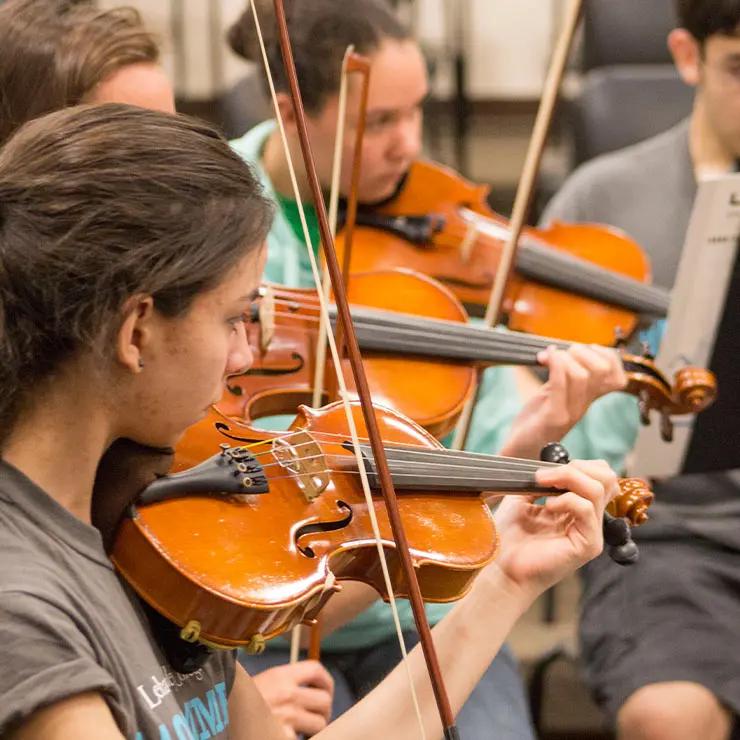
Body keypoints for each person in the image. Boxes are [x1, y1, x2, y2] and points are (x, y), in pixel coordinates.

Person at [0, 2, 636, 738]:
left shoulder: (138, 523)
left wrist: (507, 580)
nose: (250, 354)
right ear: (137, 330)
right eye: (237, 317)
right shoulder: (27, 608)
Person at [226, 2, 645, 737]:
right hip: (266, 614)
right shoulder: (216, 212)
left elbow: (476, 444)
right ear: (294, 115)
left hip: (424, 607)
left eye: (415, 112)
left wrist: (526, 438)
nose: (410, 145)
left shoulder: (435, 224)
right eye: (379, 122)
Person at [540, 1, 740, 738]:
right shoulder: (603, 200)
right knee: (667, 714)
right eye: (739, 69)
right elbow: (526, 395)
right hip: (671, 536)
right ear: (688, 56)